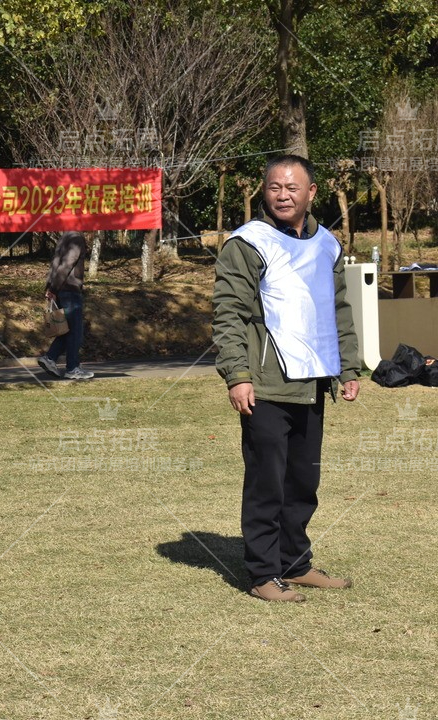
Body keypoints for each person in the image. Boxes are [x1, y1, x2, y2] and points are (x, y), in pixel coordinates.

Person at [212, 154, 360, 603]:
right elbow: (228, 315)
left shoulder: (327, 244)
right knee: (267, 481)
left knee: (302, 481)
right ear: (265, 191)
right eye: (274, 187)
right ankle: (261, 573)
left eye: (292, 187)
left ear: (311, 193)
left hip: (312, 383)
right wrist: (237, 375)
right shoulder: (248, 243)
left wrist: (348, 369)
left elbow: (339, 312)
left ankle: (295, 564)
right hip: (265, 385)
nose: (282, 194)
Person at [37, 231, 93, 380]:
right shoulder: (76, 238)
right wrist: (53, 288)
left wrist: (50, 287)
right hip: (70, 290)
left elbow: (55, 264)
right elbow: (67, 264)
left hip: (60, 289)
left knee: (67, 331)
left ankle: (50, 358)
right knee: (75, 332)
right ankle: (72, 368)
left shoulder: (64, 237)